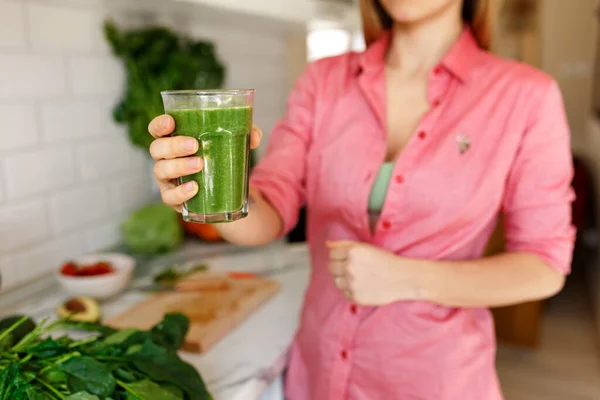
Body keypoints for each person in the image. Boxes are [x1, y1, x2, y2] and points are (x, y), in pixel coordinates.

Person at [148, 0, 576, 398]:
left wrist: (409, 279)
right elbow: (269, 210)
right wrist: (204, 188)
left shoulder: (526, 96)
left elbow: (544, 265)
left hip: (435, 379)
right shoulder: (323, 80)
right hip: (315, 373)